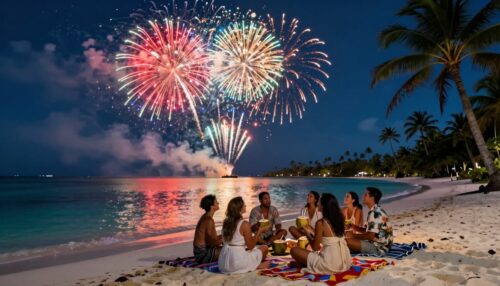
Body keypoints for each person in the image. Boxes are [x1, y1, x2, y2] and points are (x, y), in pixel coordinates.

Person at [290, 193, 352, 274]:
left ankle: (304, 264)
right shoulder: (340, 220)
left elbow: (315, 248)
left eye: (319, 202)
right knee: (310, 254)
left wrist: (306, 234)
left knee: (294, 250)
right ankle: (303, 263)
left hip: (330, 263)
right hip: (345, 261)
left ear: (323, 206)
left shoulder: (321, 223)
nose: (317, 203)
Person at [218, 197, 271, 273]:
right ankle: (256, 266)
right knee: (264, 248)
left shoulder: (225, 223)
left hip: (223, 263)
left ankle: (253, 265)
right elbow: (250, 247)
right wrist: (259, 231)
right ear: (240, 209)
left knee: (250, 250)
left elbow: (235, 240)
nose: (245, 206)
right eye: (244, 205)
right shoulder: (244, 224)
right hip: (237, 263)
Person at [345, 187, 393, 255]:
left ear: (372, 198)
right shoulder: (375, 209)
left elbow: (370, 236)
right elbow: (369, 231)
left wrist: (353, 235)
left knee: (346, 241)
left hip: (379, 248)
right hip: (382, 244)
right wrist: (353, 227)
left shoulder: (375, 213)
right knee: (347, 242)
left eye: (365, 195)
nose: (363, 196)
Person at [193, 195, 223, 264]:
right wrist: (225, 239)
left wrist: (224, 236)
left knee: (229, 247)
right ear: (211, 206)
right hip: (202, 254)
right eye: (216, 202)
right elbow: (213, 243)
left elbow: (212, 239)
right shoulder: (208, 220)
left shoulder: (206, 217)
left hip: (201, 251)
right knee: (230, 250)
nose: (218, 203)